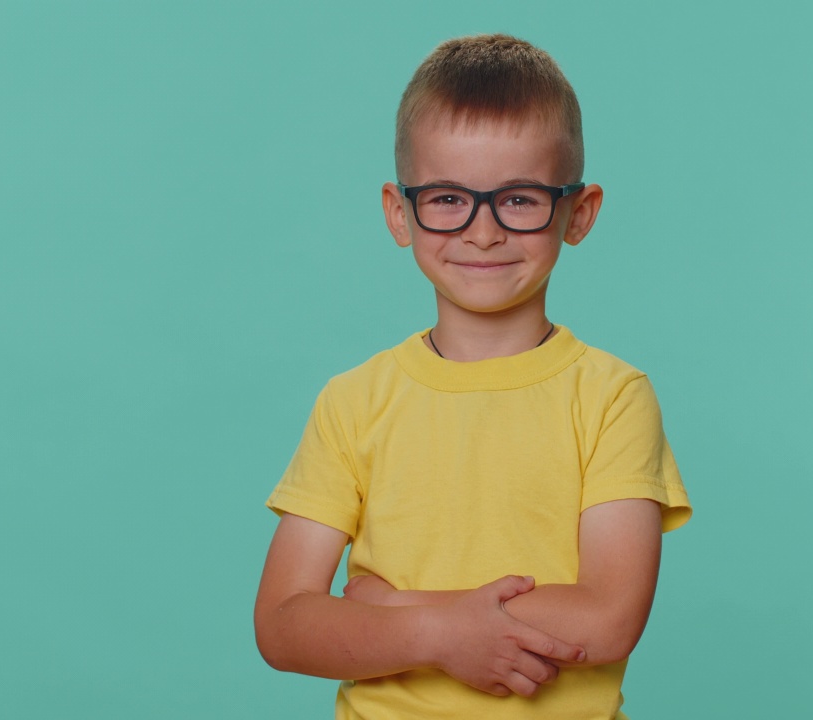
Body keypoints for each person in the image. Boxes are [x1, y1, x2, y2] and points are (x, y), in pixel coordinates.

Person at [254, 33, 692, 720]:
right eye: (448, 199)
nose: (482, 232)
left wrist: (400, 609)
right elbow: (283, 625)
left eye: (519, 200)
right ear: (400, 214)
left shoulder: (612, 397)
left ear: (578, 213)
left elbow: (607, 618)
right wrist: (441, 637)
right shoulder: (354, 402)